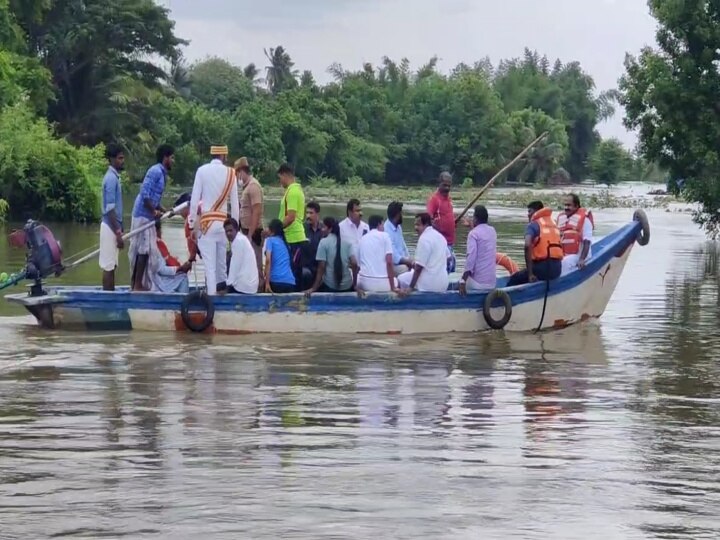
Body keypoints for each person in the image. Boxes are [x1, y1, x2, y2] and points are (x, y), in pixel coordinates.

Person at [189, 144, 240, 295]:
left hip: (207, 225)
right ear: (224, 156)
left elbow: (194, 200)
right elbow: (235, 204)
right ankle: (222, 298)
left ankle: (211, 301)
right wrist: (235, 229)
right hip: (224, 225)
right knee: (221, 266)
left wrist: (192, 224)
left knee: (210, 267)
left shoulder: (202, 171)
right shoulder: (231, 173)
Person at [129, 144, 174, 291]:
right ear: (165, 157)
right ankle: (136, 285)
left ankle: (138, 284)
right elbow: (144, 193)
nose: (173, 161)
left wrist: (162, 209)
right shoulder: (155, 171)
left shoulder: (162, 174)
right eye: (172, 158)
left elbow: (154, 198)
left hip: (148, 216)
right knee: (143, 250)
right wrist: (153, 211)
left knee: (146, 251)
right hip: (142, 215)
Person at [507, 201, 563, 287]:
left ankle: (504, 298)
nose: (528, 214)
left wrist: (530, 274)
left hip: (543, 269)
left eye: (530, 211)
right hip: (557, 269)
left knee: (514, 279)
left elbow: (527, 245)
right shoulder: (553, 224)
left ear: (536, 212)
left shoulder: (533, 225)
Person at [304, 216, 357, 295]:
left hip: (330, 286)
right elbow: (354, 263)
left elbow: (321, 267)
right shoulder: (347, 242)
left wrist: (314, 287)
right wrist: (355, 285)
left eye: (324, 227)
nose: (322, 230)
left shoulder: (323, 242)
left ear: (330, 229)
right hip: (347, 286)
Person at [398, 213, 449, 293]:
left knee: (400, 279)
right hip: (443, 284)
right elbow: (448, 258)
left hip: (429, 285)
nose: (415, 228)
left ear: (426, 225)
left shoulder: (424, 239)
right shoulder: (441, 237)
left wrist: (410, 287)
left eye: (418, 225)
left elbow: (418, 268)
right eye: (415, 225)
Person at [277, 163, 309, 290]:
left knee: (294, 271)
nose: (280, 182)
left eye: (280, 178)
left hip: (294, 238)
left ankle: (296, 298)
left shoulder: (293, 191)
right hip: (291, 237)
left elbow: (291, 216)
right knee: (293, 270)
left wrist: (276, 229)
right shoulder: (292, 190)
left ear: (285, 175)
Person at [99, 143, 125, 291]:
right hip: (110, 227)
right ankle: (107, 298)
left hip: (113, 226)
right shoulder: (110, 179)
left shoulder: (115, 177)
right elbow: (109, 209)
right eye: (120, 158)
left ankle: (111, 294)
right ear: (112, 159)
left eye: (123, 158)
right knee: (108, 266)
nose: (122, 161)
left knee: (112, 265)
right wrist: (118, 232)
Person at [236, 157, 263, 287]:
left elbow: (256, 211)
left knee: (256, 263)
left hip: (254, 232)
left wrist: (250, 235)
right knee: (248, 263)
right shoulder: (246, 188)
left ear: (242, 172)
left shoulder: (253, 186)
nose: (236, 177)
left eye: (237, 173)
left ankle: (260, 288)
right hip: (245, 230)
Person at [459, 205, 497, 294]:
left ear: (475, 218)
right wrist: (471, 226)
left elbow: (471, 259)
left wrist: (463, 280)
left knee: (458, 284)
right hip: (492, 284)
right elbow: (481, 234)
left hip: (477, 284)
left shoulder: (473, 234)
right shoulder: (492, 231)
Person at [356, 215, 398, 293]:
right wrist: (393, 287)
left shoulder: (362, 239)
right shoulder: (385, 236)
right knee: (397, 280)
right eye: (382, 224)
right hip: (383, 285)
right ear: (379, 224)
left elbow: (358, 265)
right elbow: (389, 262)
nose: (383, 227)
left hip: (365, 283)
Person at [557, 193, 594, 276]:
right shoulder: (562, 219)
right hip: (565, 254)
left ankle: (561, 283)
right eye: (565, 205)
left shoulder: (585, 221)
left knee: (565, 262)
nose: (566, 208)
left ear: (576, 206)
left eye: (569, 205)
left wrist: (581, 259)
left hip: (580, 255)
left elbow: (587, 242)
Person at [427, 171, 457, 273]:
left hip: (450, 242)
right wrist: (439, 230)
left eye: (449, 186)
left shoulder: (449, 198)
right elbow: (428, 220)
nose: (447, 188)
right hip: (441, 243)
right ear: (439, 183)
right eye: (444, 185)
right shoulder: (434, 199)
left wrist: (452, 223)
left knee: (450, 267)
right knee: (443, 269)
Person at [149, 221, 191, 293]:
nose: (161, 233)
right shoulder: (156, 245)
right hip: (157, 282)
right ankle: (182, 302)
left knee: (180, 275)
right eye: (160, 230)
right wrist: (180, 269)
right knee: (183, 277)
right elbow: (162, 270)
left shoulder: (148, 243)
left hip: (155, 279)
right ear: (156, 231)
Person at [223, 218, 260, 294]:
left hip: (244, 287)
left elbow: (235, 266)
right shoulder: (242, 239)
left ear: (236, 230)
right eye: (226, 231)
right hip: (250, 286)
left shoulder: (238, 241)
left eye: (231, 230)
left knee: (219, 287)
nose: (228, 233)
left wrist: (227, 286)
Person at [263, 218, 296, 294]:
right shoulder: (285, 243)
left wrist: (267, 283)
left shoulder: (270, 240)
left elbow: (268, 260)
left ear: (272, 230)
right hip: (290, 282)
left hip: (276, 281)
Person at [384, 201, 413, 276]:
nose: (403, 215)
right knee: (407, 269)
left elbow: (404, 246)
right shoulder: (386, 230)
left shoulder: (398, 226)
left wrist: (409, 258)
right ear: (397, 215)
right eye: (401, 213)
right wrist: (408, 262)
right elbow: (394, 257)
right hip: (392, 265)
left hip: (402, 262)